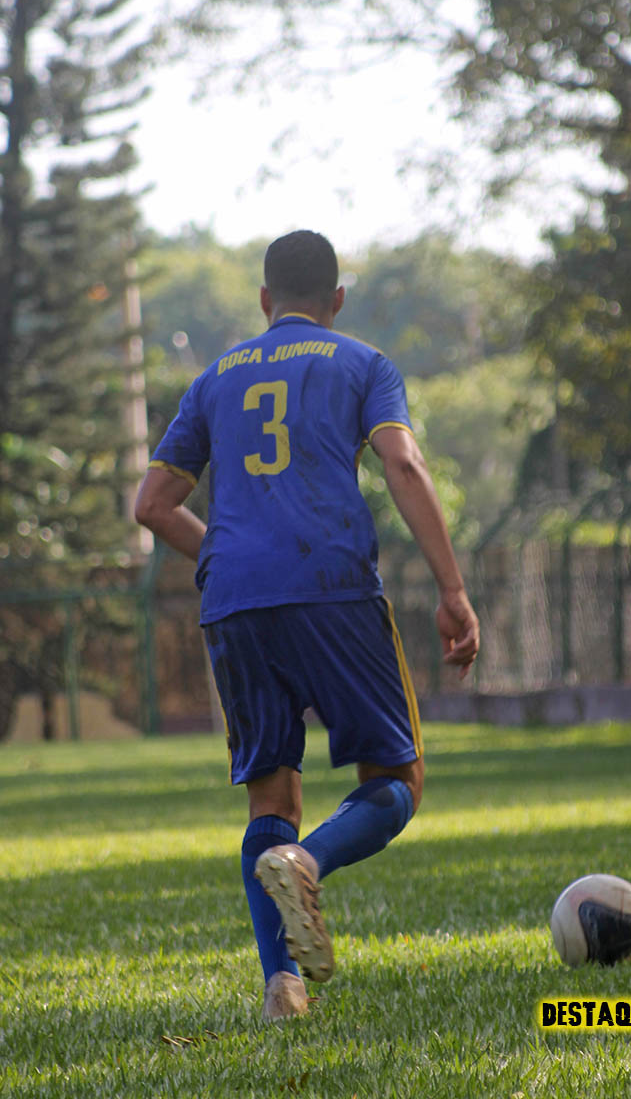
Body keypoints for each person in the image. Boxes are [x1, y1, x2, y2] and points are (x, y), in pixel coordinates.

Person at [134, 229, 480, 1022]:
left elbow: (152, 505)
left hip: (234, 601)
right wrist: (453, 590)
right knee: (397, 779)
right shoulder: (363, 363)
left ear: (265, 299)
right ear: (337, 300)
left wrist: (226, 554)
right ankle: (310, 859)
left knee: (271, 794)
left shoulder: (214, 378)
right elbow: (402, 464)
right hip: (331, 586)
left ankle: (282, 987)